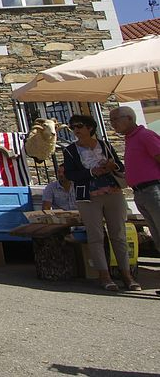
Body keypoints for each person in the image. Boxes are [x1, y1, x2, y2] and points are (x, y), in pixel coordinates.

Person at [62, 113, 140, 292]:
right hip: (88, 195)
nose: (75, 130)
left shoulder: (104, 145)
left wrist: (113, 166)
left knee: (118, 234)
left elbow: (120, 166)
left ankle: (126, 275)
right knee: (96, 235)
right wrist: (91, 172)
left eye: (79, 126)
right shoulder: (70, 150)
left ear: (90, 128)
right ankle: (104, 276)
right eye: (73, 127)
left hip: (112, 191)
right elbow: (70, 174)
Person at [109, 106, 160, 253]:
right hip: (140, 192)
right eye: (111, 120)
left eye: (115, 119)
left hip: (153, 189)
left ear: (130, 118)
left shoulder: (145, 135)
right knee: (156, 234)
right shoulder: (131, 139)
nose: (113, 124)